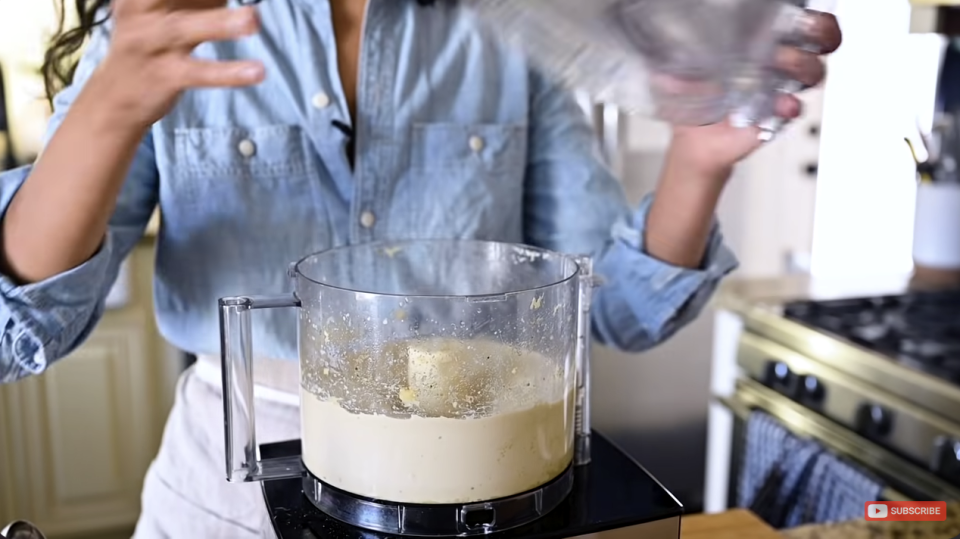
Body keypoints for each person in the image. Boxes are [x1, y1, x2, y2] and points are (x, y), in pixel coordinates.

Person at [0, 0, 841, 536]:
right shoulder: (161, 22)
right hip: (228, 490)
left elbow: (610, 310)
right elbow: (22, 327)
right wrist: (108, 109)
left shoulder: (510, 34)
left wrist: (699, 160)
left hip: (482, 471)